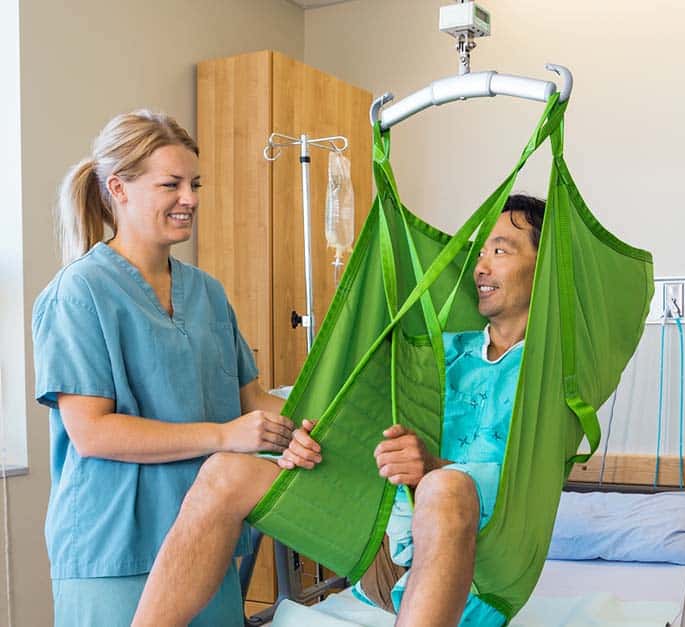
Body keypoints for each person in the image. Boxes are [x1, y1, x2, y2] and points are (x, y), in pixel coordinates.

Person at [132, 195, 546, 627]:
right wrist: (311, 437)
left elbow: (526, 484)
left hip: (476, 576)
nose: (480, 267)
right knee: (224, 472)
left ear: (546, 266)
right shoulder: (438, 353)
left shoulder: (549, 375)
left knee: (446, 487)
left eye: (500, 251)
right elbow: (367, 419)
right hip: (381, 551)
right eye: (479, 253)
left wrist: (431, 467)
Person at [32, 110, 294, 626]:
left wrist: (314, 422)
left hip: (204, 539)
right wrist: (225, 437)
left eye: (194, 184)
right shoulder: (79, 293)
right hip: (114, 549)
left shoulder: (207, 293)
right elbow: (92, 433)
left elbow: (252, 402)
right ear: (119, 189)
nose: (190, 198)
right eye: (171, 184)